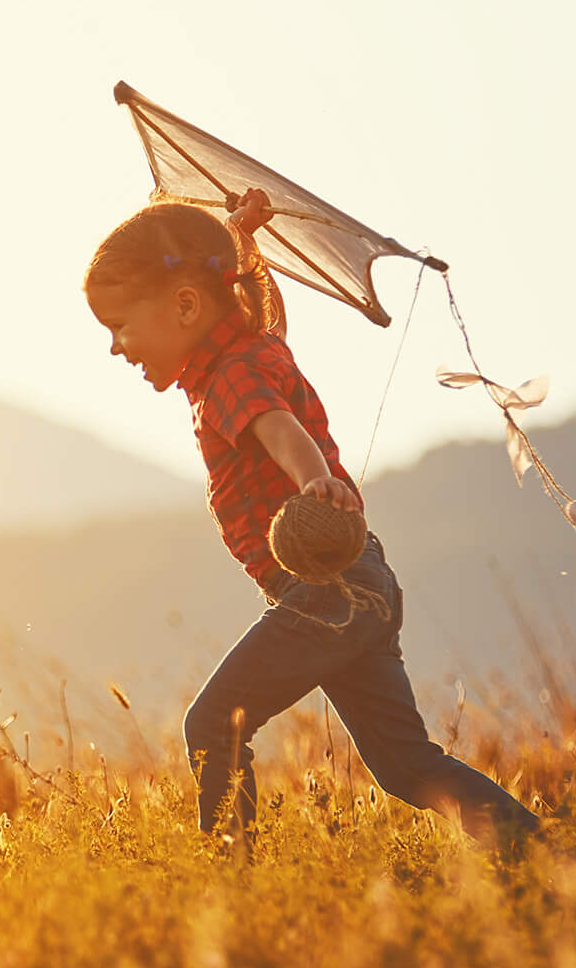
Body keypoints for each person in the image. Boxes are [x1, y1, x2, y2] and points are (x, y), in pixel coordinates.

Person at [82, 190, 538, 854]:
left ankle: (232, 878)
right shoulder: (245, 350)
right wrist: (235, 236)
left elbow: (279, 428)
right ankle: (547, 855)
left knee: (213, 725)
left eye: (120, 325)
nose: (117, 347)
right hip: (360, 588)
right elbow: (241, 310)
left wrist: (312, 479)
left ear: (185, 305)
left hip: (330, 595)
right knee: (407, 764)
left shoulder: (234, 376)